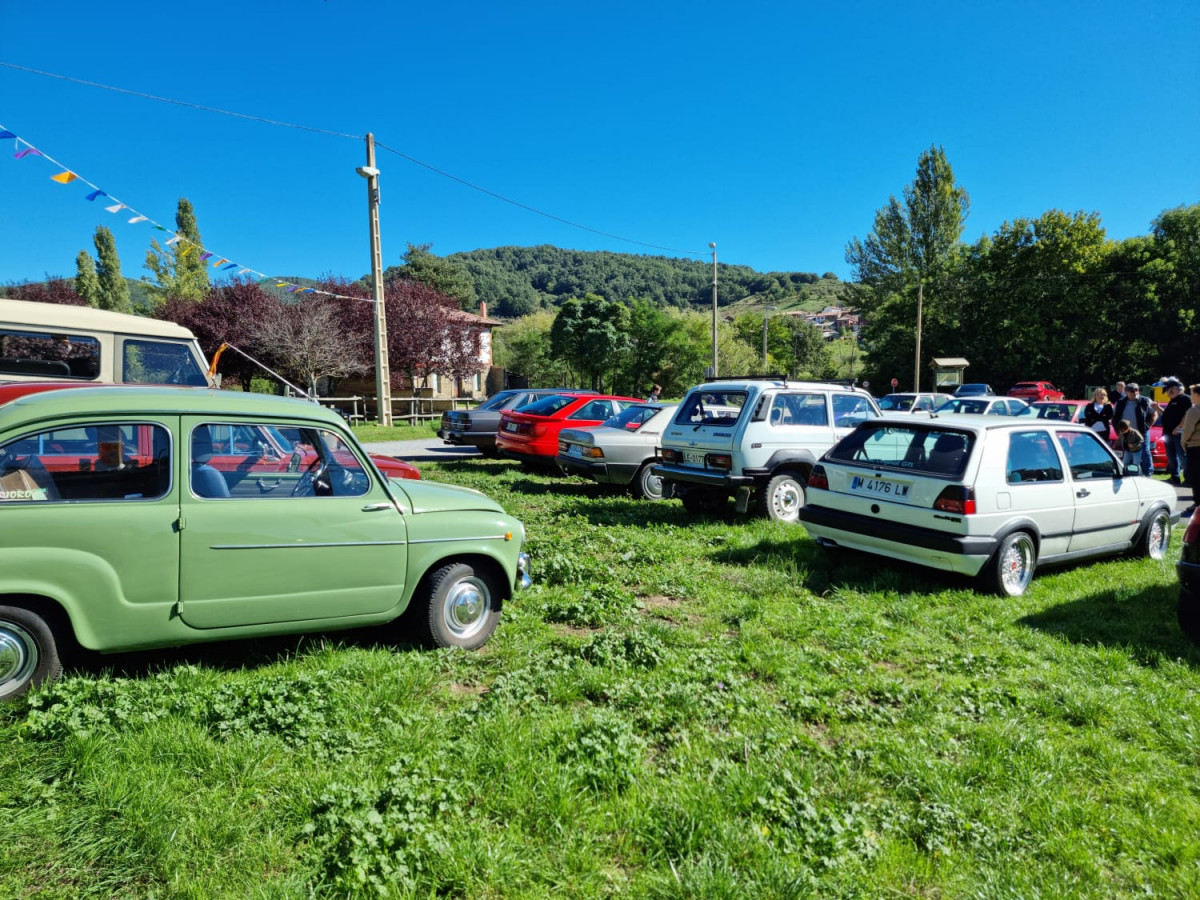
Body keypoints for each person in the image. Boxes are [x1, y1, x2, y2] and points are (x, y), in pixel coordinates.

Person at [1112, 382, 1156, 475]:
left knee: (1145, 452)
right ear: (1126, 392)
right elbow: (1115, 417)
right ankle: (1129, 473)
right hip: (1126, 433)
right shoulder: (1120, 403)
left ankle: (1148, 474)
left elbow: (1154, 415)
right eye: (1132, 391)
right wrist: (1118, 432)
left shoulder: (1146, 401)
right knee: (1128, 453)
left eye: (1137, 390)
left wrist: (1148, 426)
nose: (1135, 392)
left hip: (1142, 432)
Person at [1159, 376, 1191, 485]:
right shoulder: (1172, 401)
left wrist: (1178, 428)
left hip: (1179, 434)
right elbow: (1168, 416)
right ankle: (1174, 478)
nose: (1168, 393)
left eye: (1169, 390)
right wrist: (1158, 409)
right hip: (1168, 434)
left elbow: (1188, 414)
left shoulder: (1185, 399)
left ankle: (1189, 480)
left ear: (1175, 389)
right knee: (1172, 458)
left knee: (1183, 457)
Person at [1181, 384, 1200, 518]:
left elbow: (1187, 431)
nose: (1190, 396)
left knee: (1195, 476)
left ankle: (1197, 503)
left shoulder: (1194, 411)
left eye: (1192, 393)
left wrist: (1184, 443)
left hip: (1195, 446)